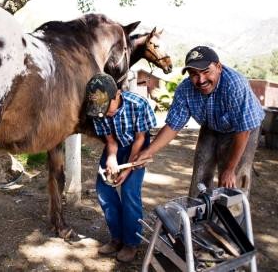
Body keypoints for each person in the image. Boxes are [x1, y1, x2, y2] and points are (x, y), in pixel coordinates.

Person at [135, 46, 265, 198]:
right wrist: (148, 151)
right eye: (194, 74)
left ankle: (233, 218)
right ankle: (198, 217)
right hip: (211, 125)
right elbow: (173, 125)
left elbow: (243, 130)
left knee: (232, 180)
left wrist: (230, 169)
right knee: (201, 173)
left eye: (206, 72)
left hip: (244, 128)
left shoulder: (234, 84)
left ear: (218, 67)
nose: (201, 80)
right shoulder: (185, 89)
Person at [85, 73, 157, 263]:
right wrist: (111, 158)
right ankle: (117, 238)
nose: (104, 113)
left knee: (129, 190)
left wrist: (127, 169)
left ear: (117, 95)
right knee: (103, 189)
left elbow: (141, 138)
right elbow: (110, 140)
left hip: (137, 144)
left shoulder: (138, 104)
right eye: (99, 110)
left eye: (107, 107)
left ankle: (131, 242)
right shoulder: (97, 110)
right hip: (115, 144)